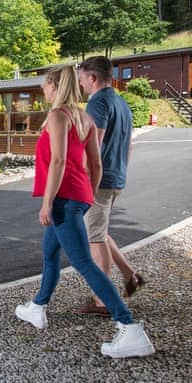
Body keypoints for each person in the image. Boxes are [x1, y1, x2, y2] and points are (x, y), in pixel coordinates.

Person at [14, 64, 154, 359]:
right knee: (50, 252)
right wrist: (88, 195)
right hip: (78, 195)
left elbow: (58, 162)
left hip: (64, 198)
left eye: (44, 85)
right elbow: (96, 164)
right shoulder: (85, 117)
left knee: (83, 262)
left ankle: (129, 328)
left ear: (54, 86)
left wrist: (47, 202)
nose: (42, 89)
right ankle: (38, 308)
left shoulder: (57, 116)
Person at [76, 56, 145, 316]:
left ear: (93, 78)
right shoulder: (121, 102)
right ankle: (130, 275)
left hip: (99, 180)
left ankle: (101, 300)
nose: (81, 85)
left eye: (82, 79)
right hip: (116, 176)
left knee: (94, 238)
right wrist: (121, 171)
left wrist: (83, 177)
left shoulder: (98, 102)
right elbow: (129, 144)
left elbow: (94, 144)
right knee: (100, 231)